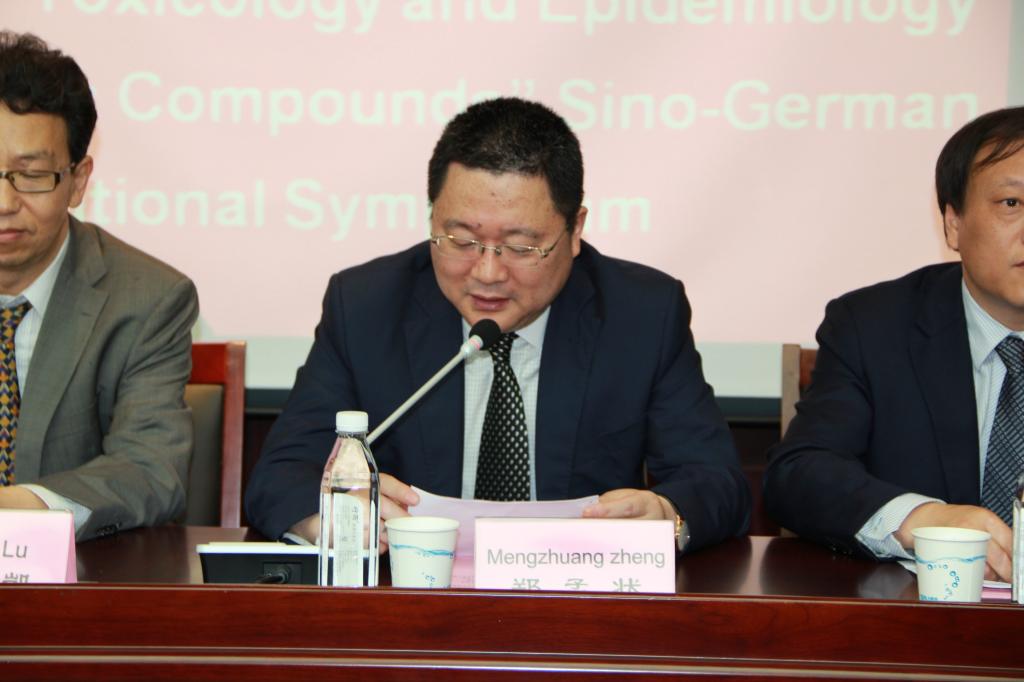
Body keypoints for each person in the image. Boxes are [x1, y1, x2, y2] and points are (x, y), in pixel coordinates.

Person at [246, 97, 750, 553]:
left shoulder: (641, 313)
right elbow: (281, 476)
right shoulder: (366, 306)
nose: (487, 273)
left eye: (521, 246)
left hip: (577, 599)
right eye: (461, 241)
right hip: (414, 598)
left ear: (575, 229)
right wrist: (334, 518)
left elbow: (715, 482)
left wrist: (668, 515)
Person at [764, 106, 1024, 582]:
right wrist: (920, 519)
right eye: (1012, 203)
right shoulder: (874, 327)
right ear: (953, 223)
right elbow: (800, 474)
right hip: (917, 615)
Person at [0, 31, 199, 540]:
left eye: (31, 175)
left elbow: (150, 469)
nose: (4, 203)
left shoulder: (148, 299)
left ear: (78, 179)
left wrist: (20, 508)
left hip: (73, 579)